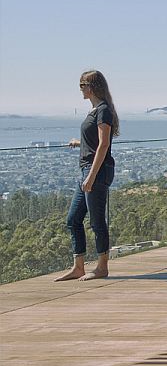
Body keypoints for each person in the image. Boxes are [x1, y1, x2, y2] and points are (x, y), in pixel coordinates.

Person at [57, 70, 120, 281]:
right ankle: (79, 267)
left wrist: (91, 176)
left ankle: (102, 267)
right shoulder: (96, 110)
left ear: (90, 87)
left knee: (96, 221)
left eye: (82, 86)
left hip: (96, 171)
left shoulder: (103, 111)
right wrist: (80, 143)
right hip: (88, 170)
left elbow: (104, 145)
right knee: (73, 219)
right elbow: (95, 141)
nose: (80, 90)